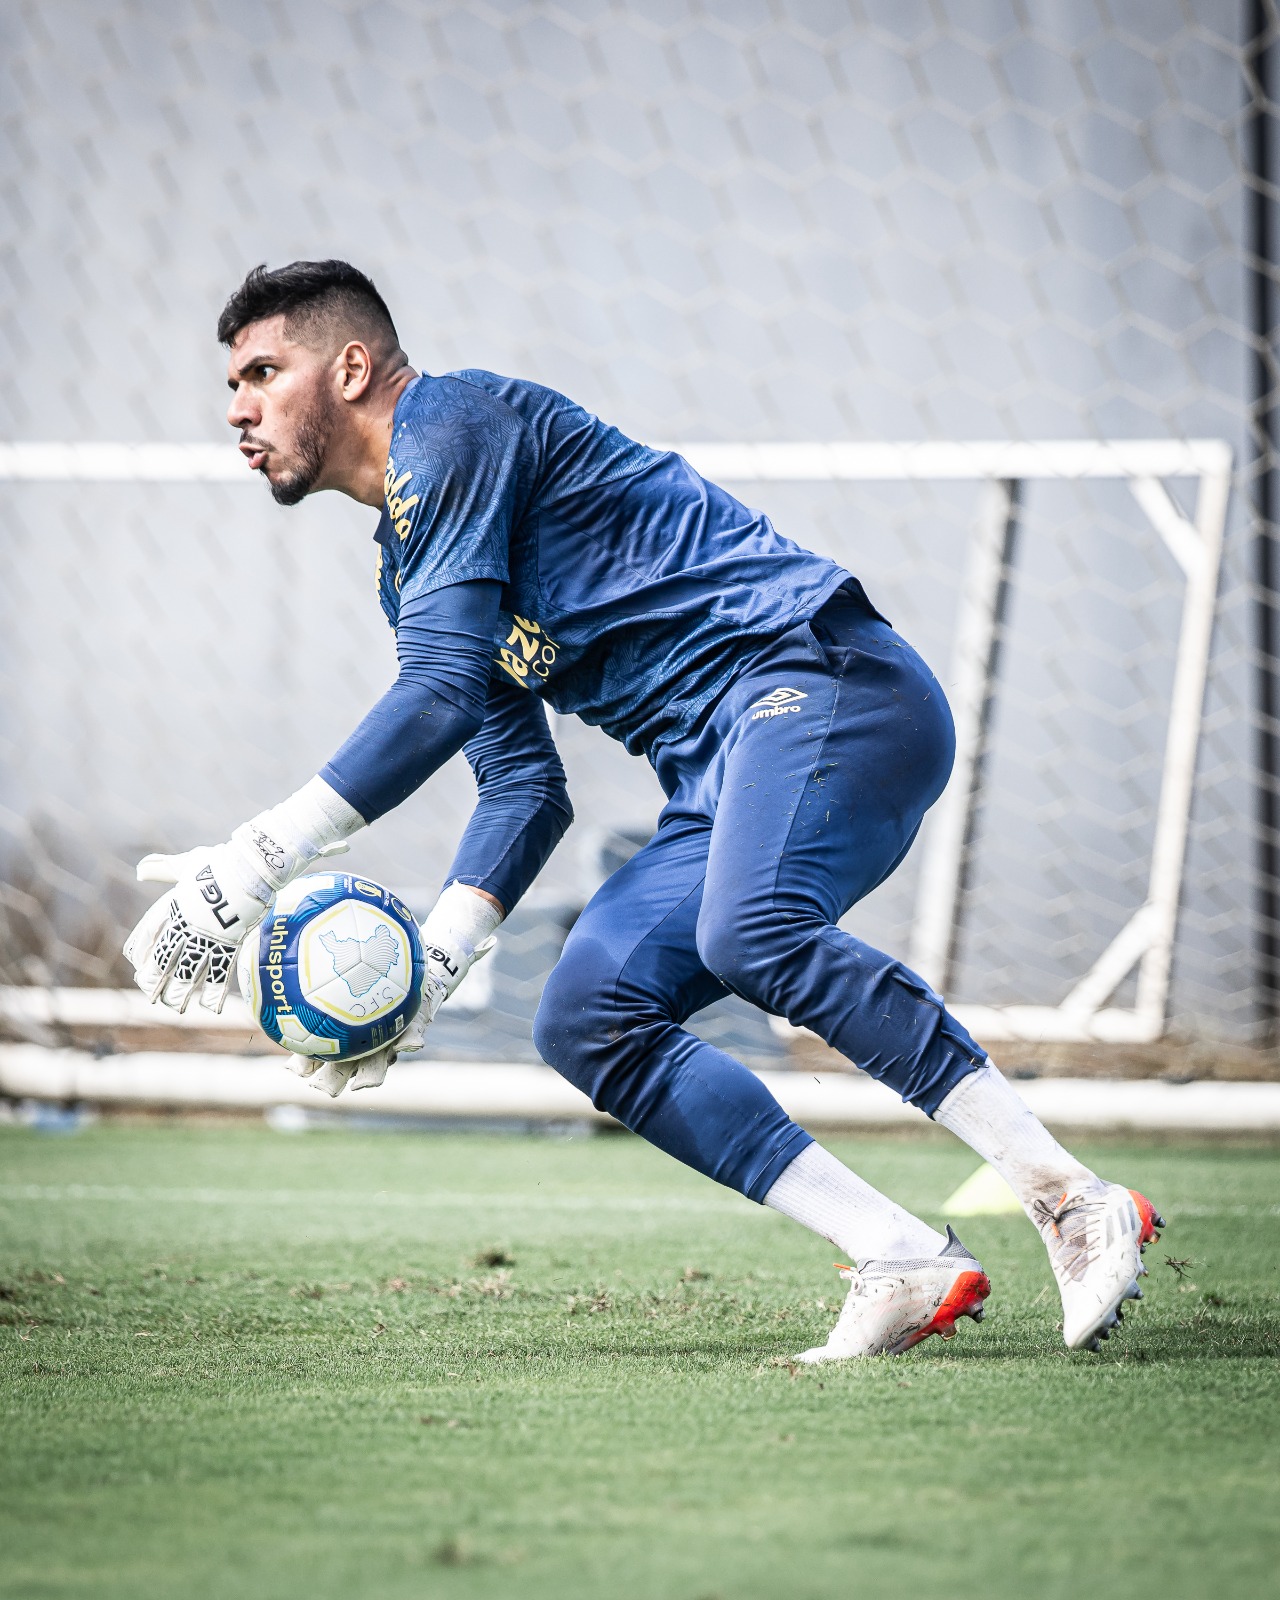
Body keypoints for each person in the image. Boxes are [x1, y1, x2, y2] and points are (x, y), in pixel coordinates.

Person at [124, 259, 1162, 1360]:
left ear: (349, 366)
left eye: (260, 372)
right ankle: (899, 1254)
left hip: (824, 678)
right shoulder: (409, 564)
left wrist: (251, 861)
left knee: (749, 929)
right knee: (584, 1016)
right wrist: (438, 960)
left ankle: (1063, 1195)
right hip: (723, 768)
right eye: (233, 384)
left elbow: (430, 697)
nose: (236, 407)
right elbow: (522, 789)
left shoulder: (456, 419)